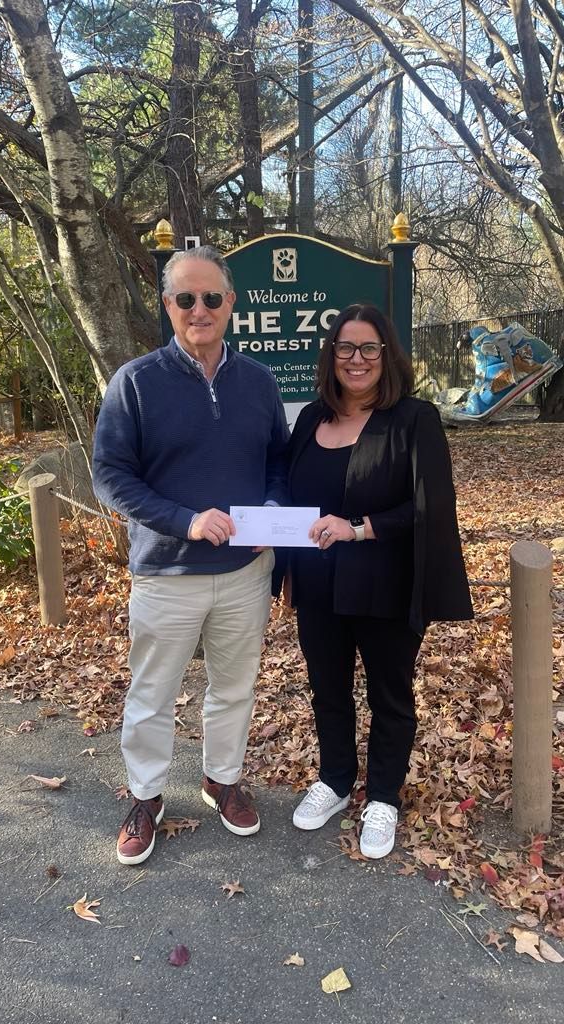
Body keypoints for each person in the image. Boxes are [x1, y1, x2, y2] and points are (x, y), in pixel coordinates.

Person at [92, 245, 289, 865]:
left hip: (244, 573)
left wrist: (273, 514)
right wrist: (184, 520)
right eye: (185, 298)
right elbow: (111, 475)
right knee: (153, 693)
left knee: (234, 686)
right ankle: (146, 796)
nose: (198, 309)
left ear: (231, 304)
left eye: (211, 297)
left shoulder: (257, 382)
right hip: (166, 572)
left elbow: (278, 465)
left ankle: (221, 779)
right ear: (168, 306)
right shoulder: (137, 382)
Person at [280, 304, 473, 859]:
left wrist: (360, 529)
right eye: (345, 348)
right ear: (331, 355)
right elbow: (294, 499)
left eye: (369, 348)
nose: (356, 359)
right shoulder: (311, 419)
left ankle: (383, 796)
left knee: (390, 695)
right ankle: (336, 780)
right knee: (327, 689)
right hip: (319, 584)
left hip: (386, 580)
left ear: (386, 355)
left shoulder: (414, 419)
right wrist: (285, 556)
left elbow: (430, 506)